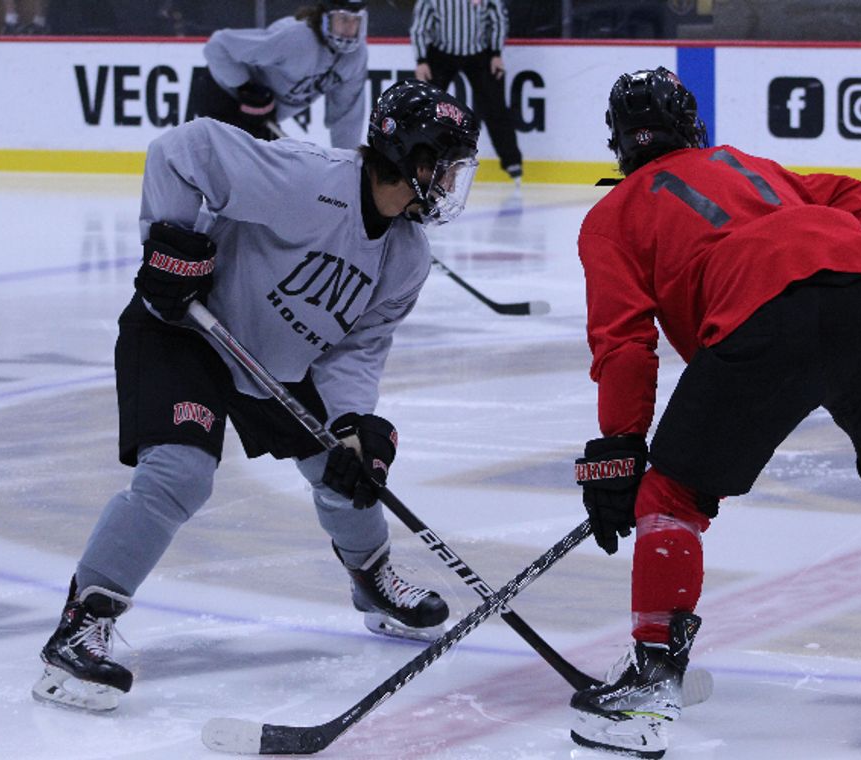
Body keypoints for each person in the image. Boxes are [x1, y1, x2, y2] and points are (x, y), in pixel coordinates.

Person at [570, 67, 861, 757]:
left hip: (759, 319)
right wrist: (840, 277)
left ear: (618, 144)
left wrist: (620, 451)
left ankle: (653, 681)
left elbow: (626, 344)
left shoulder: (612, 215)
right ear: (692, 126)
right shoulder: (749, 164)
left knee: (671, 498)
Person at [30, 79, 481, 712]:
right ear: (413, 156)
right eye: (449, 165)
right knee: (180, 473)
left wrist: (354, 423)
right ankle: (83, 624)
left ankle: (370, 576)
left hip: (276, 361)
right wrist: (173, 246)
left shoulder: (407, 256)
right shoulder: (308, 180)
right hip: (186, 329)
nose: (453, 182)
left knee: (344, 469)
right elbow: (182, 151)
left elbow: (356, 348)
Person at [187, 0, 368, 145]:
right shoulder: (297, 38)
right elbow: (218, 46)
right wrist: (245, 86)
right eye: (343, 19)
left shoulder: (355, 59)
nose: (348, 28)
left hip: (261, 116)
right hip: (221, 95)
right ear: (326, 19)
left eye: (355, 21)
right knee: (239, 174)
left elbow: (346, 117)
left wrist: (347, 165)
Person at [411, 0, 523, 186]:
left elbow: (497, 18)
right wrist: (422, 59)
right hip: (441, 52)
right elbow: (420, 25)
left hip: (479, 53)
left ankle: (511, 160)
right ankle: (419, 159)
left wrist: (496, 53)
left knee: (495, 107)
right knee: (426, 109)